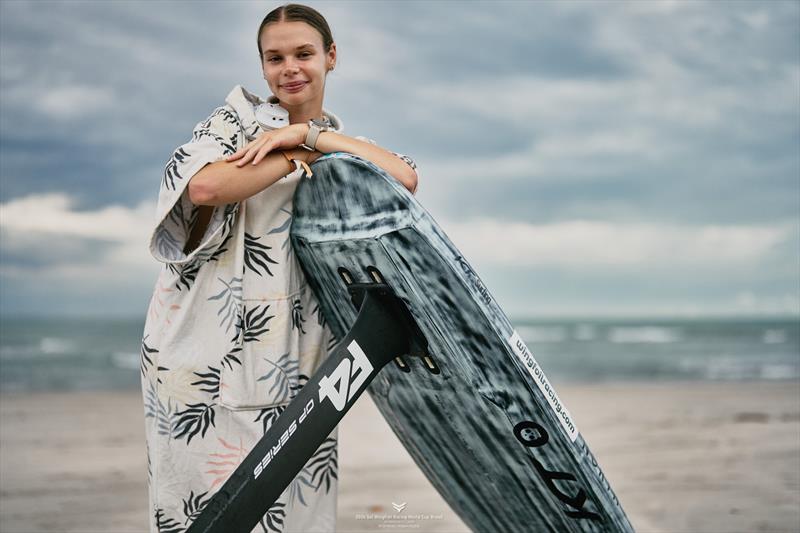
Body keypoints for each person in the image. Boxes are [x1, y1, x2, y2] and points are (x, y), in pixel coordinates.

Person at [139, 3, 420, 532]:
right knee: (208, 514)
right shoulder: (235, 120)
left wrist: (309, 138)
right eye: (275, 58)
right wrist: (295, 156)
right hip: (201, 351)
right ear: (262, 66)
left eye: (304, 54)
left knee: (296, 509)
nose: (290, 68)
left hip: (298, 358)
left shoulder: (341, 141)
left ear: (331, 57)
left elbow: (402, 177)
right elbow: (204, 187)